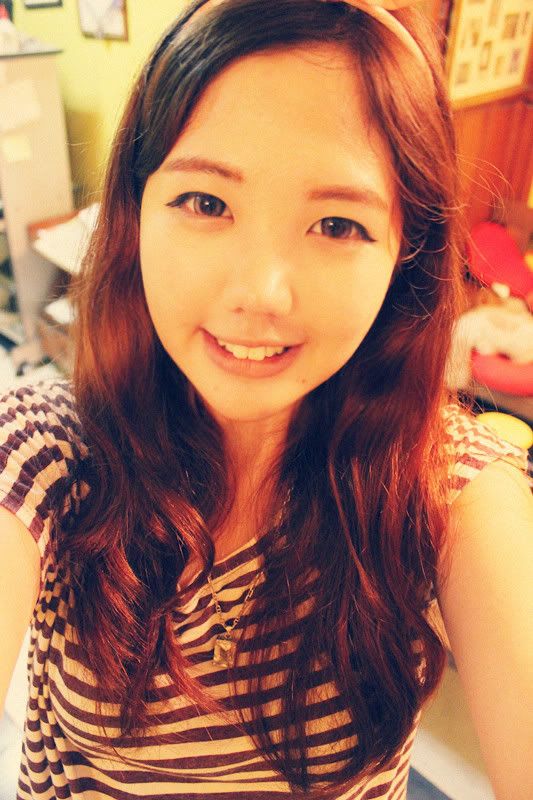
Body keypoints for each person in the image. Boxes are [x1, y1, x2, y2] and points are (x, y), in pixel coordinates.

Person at [1, 1, 532, 798]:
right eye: (206, 203)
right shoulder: (47, 457)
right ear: (135, 215)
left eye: (336, 224)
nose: (260, 293)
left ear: (402, 253)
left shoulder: (445, 487)